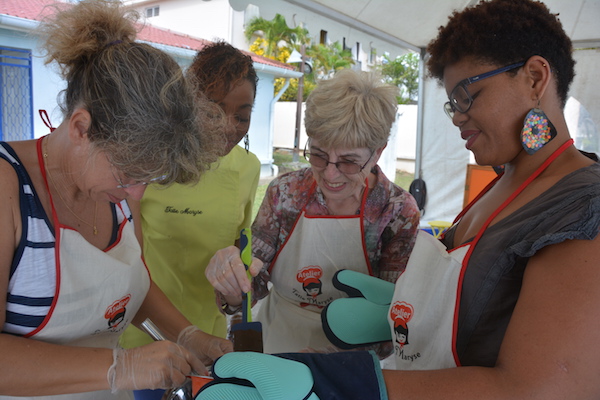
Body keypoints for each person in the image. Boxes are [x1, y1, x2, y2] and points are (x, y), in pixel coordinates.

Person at [194, 0, 600, 399]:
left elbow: (544, 387)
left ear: (534, 78)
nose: (457, 116)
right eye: (318, 155)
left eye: (467, 96)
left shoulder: (578, 207)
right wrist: (236, 283)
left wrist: (335, 379)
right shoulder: (505, 182)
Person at [0, 1, 234, 399]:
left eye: (150, 177)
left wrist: (189, 335)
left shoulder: (119, 191)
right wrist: (119, 365)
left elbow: (129, 287)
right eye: (128, 172)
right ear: (80, 127)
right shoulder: (8, 187)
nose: (137, 194)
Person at [206, 68, 421, 355]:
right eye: (319, 154)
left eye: (348, 161)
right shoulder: (286, 193)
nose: (330, 174)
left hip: (354, 357)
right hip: (280, 340)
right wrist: (233, 282)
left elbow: (395, 312)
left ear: (377, 152)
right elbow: (252, 280)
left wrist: (341, 362)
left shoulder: (397, 211)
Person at [120, 40, 261, 400]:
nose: (229, 127)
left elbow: (239, 254)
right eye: (214, 111)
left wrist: (232, 294)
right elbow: (128, 259)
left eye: (242, 115)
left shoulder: (248, 169)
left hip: (208, 335)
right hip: (146, 330)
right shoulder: (151, 164)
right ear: (190, 104)